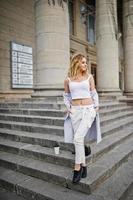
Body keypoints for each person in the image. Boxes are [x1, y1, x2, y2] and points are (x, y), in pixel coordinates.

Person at [63, 53, 102, 184]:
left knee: (78, 138)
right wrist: (68, 107)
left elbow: (93, 93)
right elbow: (66, 96)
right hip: (75, 112)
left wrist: (96, 108)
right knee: (78, 140)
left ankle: (77, 167)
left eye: (86, 62)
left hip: (88, 110)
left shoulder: (89, 77)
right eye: (83, 62)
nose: (86, 64)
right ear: (76, 63)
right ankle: (84, 166)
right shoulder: (68, 79)